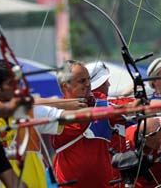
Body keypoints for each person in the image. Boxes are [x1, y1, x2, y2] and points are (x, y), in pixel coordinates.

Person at [0, 59, 96, 188]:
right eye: (11, 84)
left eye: (19, 82)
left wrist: (105, 110)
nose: (19, 88)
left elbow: (65, 116)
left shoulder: (31, 112)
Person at [52, 60, 122, 188]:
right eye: (82, 81)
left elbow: (130, 106)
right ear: (64, 86)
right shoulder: (55, 113)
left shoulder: (102, 104)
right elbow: (30, 106)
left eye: (88, 79)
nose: (88, 84)